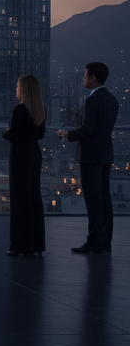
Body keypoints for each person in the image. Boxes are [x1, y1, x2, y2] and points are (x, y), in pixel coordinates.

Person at [57, 61, 119, 254]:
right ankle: (104, 240)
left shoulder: (92, 101)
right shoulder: (112, 99)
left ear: (93, 77)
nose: (83, 77)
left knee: (93, 199)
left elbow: (88, 129)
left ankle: (94, 241)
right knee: (104, 197)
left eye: (85, 74)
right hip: (106, 153)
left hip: (91, 155)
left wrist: (68, 134)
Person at [3, 74, 47, 257]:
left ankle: (20, 245)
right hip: (34, 154)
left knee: (20, 199)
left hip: (20, 154)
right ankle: (36, 244)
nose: (16, 89)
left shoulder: (19, 110)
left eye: (18, 86)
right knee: (33, 196)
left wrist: (5, 132)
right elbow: (41, 134)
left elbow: (14, 135)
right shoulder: (41, 108)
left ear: (24, 89)